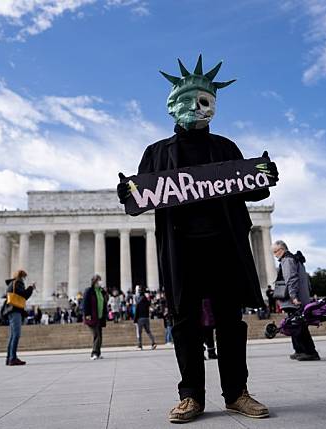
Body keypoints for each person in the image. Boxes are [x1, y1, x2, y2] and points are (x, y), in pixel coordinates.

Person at [118, 56, 275, 423]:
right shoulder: (156, 153)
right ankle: (191, 397)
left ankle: (237, 393)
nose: (198, 107)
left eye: (205, 100)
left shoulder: (225, 148)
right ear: (173, 105)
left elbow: (249, 192)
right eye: (190, 100)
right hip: (181, 247)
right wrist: (127, 194)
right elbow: (142, 199)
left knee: (229, 321)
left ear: (214, 107)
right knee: (185, 321)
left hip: (223, 245)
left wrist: (264, 176)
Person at [272, 241, 319, 361]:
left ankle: (310, 352)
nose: (275, 255)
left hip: (294, 300)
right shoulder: (295, 259)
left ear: (282, 249)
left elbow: (291, 279)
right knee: (294, 324)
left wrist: (293, 297)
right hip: (299, 297)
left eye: (276, 251)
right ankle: (299, 350)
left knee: (299, 325)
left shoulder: (287, 260)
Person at [2, 270, 35, 366]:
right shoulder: (18, 283)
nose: (24, 279)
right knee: (16, 334)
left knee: (13, 335)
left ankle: (9, 358)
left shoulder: (11, 284)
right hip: (15, 310)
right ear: (21, 276)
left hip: (11, 310)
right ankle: (12, 358)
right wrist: (31, 288)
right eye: (24, 277)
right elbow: (23, 295)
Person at [83, 274, 108, 360]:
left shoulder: (101, 291)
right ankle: (94, 353)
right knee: (96, 335)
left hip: (100, 317)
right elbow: (85, 303)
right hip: (92, 317)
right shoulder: (89, 291)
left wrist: (105, 292)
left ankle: (98, 353)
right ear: (94, 282)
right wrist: (87, 314)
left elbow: (105, 301)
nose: (100, 282)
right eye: (98, 280)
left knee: (100, 336)